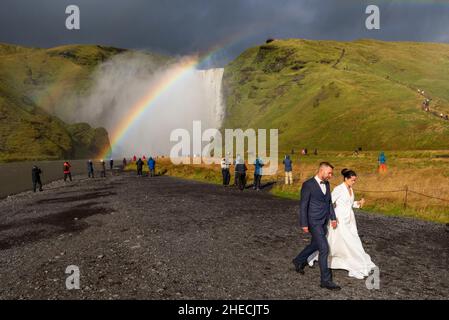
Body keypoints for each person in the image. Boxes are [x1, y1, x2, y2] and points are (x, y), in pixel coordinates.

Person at [307, 169, 376, 279]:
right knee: (344, 241)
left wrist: (358, 203)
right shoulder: (339, 189)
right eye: (352, 180)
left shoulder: (351, 189)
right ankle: (317, 257)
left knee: (352, 239)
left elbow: (348, 203)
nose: (354, 182)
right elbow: (329, 202)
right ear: (346, 178)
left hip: (350, 220)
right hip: (339, 219)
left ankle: (351, 259)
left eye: (355, 180)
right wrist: (333, 217)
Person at [292, 162, 340, 290]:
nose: (331, 175)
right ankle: (325, 280)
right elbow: (303, 205)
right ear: (321, 170)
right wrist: (304, 223)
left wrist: (333, 217)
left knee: (315, 245)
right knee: (324, 248)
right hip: (313, 221)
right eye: (329, 173)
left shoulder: (327, 184)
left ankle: (298, 260)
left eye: (331, 173)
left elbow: (329, 202)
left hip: (324, 221)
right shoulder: (308, 185)